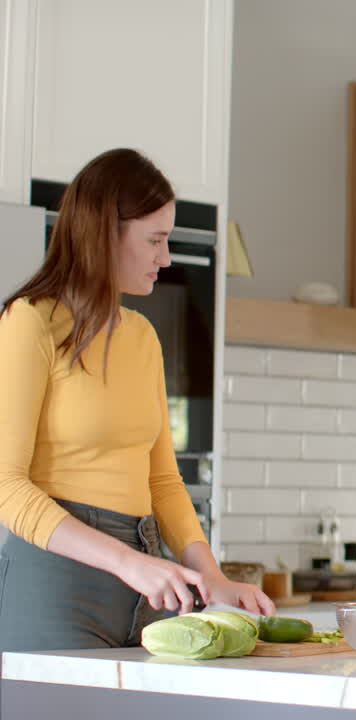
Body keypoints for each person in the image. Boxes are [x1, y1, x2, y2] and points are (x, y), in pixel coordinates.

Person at [0, 148, 274, 653]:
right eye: (155, 240)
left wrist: (211, 577)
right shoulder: (29, 321)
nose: (165, 258)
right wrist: (127, 562)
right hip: (57, 581)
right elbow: (8, 488)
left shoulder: (142, 336)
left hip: (147, 581)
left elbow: (163, 481)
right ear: (106, 235)